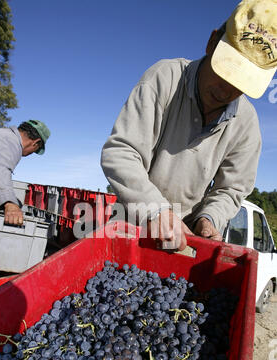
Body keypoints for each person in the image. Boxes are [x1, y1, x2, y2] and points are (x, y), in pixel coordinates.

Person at [101, 0, 277, 251]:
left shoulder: (247, 124)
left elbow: (232, 189)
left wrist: (209, 218)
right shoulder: (165, 78)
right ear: (212, 43)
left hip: (186, 239)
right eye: (227, 70)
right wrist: (156, 211)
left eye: (242, 82)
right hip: (131, 227)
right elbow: (121, 152)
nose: (227, 90)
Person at [0, 119, 50, 226]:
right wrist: (10, 204)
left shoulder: (1, 135)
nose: (31, 153)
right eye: (35, 150)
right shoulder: (9, 142)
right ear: (35, 142)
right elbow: (0, 172)